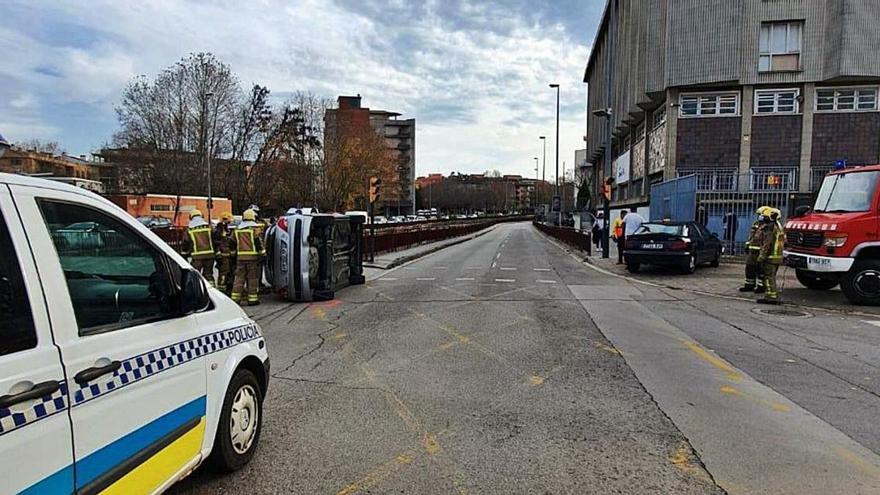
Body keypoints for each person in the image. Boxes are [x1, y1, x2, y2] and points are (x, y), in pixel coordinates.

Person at [230, 209, 266, 306]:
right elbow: (258, 243)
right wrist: (263, 253)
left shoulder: (237, 230)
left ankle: (235, 299)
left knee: (239, 278)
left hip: (240, 258)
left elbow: (232, 243)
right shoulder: (254, 229)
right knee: (252, 279)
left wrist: (233, 254)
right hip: (252, 259)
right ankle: (252, 299)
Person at [180, 209, 216, 287]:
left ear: (191, 217)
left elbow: (185, 243)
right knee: (208, 274)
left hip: (197, 257)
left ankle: (196, 290)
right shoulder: (209, 227)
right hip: (210, 256)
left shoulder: (189, 229)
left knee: (195, 275)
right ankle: (212, 291)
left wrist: (184, 254)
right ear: (201, 216)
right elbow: (215, 239)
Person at [757, 208, 785, 305]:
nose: (763, 218)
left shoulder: (769, 228)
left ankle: (771, 297)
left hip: (770, 257)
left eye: (765, 216)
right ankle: (772, 296)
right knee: (771, 277)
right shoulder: (779, 226)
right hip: (777, 257)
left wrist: (761, 257)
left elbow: (766, 245)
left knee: (768, 277)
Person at [740, 206, 767, 293]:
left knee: (761, 269)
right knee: (749, 268)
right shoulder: (756, 224)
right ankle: (749, 285)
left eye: (760, 215)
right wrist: (747, 244)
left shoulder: (768, 226)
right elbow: (751, 235)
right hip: (752, 251)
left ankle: (761, 287)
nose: (759, 216)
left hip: (760, 251)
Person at [214, 212, 234, 294]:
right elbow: (216, 243)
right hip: (223, 256)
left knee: (229, 273)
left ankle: (228, 288)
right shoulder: (219, 230)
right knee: (223, 273)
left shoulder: (225, 229)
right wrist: (218, 254)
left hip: (227, 256)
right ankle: (222, 290)